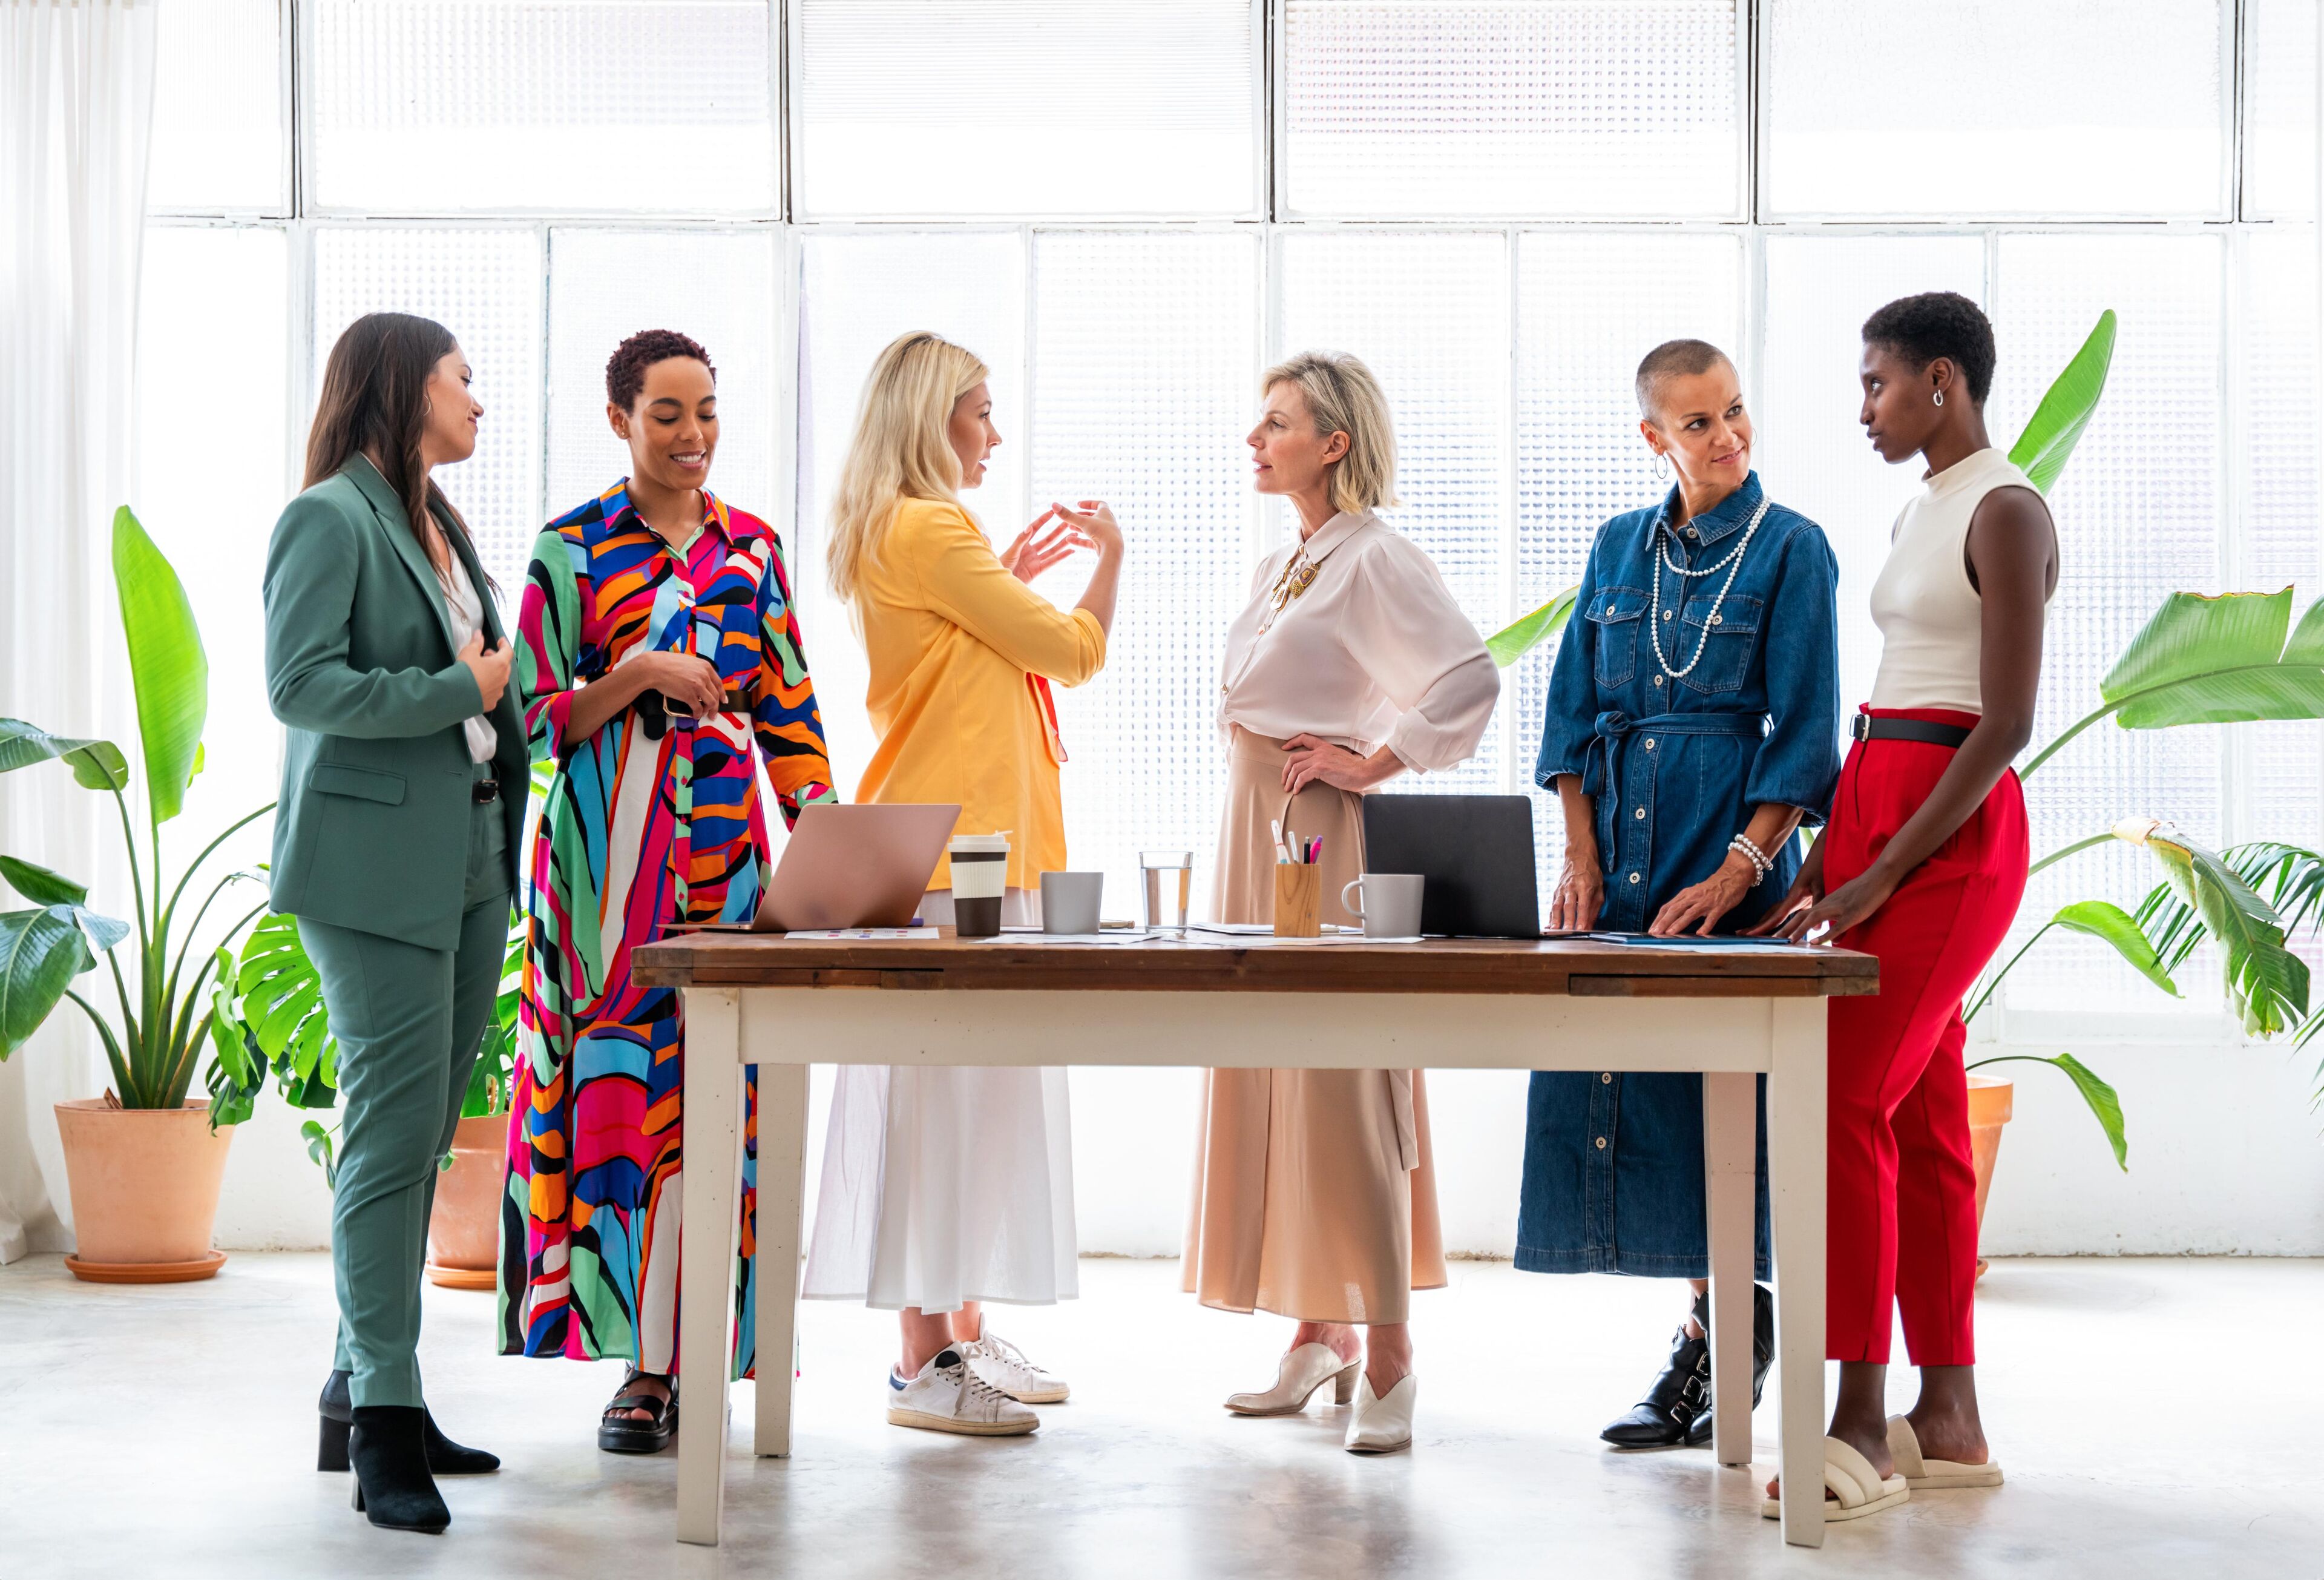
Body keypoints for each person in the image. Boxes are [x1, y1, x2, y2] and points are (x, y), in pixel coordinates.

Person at [498, 330, 836, 1454]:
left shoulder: (753, 548)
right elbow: (535, 717)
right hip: (606, 876)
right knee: (617, 1106)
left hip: (728, 866)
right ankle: (642, 1369)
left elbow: (788, 703)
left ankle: (710, 1350)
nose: (692, 437)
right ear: (619, 419)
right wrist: (637, 671)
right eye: (666, 416)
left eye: (706, 414)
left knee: (724, 1103)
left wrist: (825, 831)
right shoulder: (572, 548)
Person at [1753, 291, 2050, 1522]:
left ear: (1943, 380)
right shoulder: (1927, 504)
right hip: (1883, 808)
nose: (1863, 406)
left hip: (1952, 834)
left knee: (1845, 1102)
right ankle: (1951, 1415)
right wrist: (1841, 844)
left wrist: (1886, 868)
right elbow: (1899, 683)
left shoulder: (2007, 507)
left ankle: (1861, 1422)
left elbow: (2006, 721)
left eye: (1877, 383)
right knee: (1923, 1117)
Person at [799, 330, 1124, 1437]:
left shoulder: (912, 529)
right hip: (959, 862)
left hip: (975, 852)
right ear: (932, 418)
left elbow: (966, 663)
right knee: (946, 1102)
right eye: (980, 409)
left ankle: (958, 1334)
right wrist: (1109, 561)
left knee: (972, 1097)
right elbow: (1071, 652)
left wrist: (1008, 586)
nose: (995, 431)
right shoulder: (931, 525)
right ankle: (921, 1357)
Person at [1524, 339, 1841, 1451]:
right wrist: (1579, 859)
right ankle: (1715, 1334)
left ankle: (1722, 1339)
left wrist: (1740, 871)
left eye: (1738, 412)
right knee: (1630, 1086)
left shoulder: (1795, 549)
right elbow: (1567, 721)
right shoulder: (1616, 546)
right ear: (1653, 435)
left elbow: (1804, 737)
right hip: (1620, 863)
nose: (1729, 437)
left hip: (1726, 864)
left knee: (1724, 1105)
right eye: (1700, 422)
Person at [1184, 351, 1498, 1456]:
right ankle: (1319, 1334)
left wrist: (1375, 759)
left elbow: (1469, 677)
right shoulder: (1291, 558)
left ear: (1336, 441)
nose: (1256, 439)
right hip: (1260, 819)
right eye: (1257, 420)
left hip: (1316, 823)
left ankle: (1395, 1349)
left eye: (1278, 422)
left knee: (1346, 1071)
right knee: (1283, 1067)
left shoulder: (1372, 556)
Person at [264, 311, 526, 1533]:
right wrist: (449, 690)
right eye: (462, 379)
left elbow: (486, 691)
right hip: (371, 871)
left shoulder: (443, 522)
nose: (479, 399)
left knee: (419, 1138)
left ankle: (363, 1389)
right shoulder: (328, 517)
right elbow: (300, 682)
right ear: (402, 383)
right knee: (386, 1140)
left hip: (468, 856)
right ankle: (383, 1421)